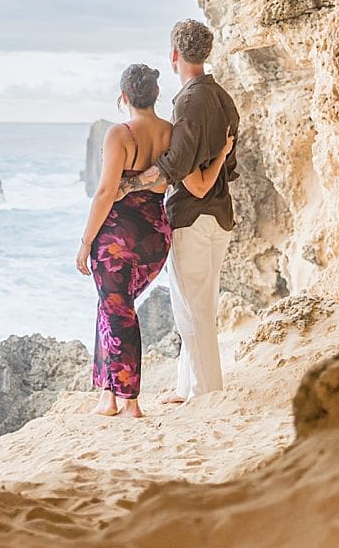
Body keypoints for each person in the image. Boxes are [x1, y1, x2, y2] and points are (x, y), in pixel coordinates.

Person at [75, 63, 233, 417]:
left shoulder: (118, 134)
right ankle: (107, 395)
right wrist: (221, 154)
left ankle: (129, 402)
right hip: (155, 238)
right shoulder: (173, 133)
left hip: (117, 237)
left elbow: (104, 193)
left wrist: (86, 242)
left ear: (124, 97)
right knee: (111, 305)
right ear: (156, 95)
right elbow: (198, 185)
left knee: (119, 310)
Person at [115, 20, 240, 404]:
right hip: (220, 215)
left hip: (194, 217)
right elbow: (225, 161)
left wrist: (129, 185)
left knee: (192, 310)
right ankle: (188, 387)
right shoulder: (222, 97)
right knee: (197, 303)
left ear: (174, 56)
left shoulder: (188, 101)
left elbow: (176, 165)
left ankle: (206, 393)